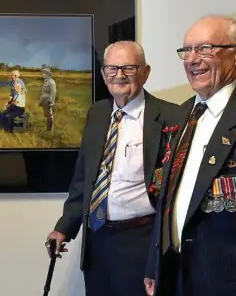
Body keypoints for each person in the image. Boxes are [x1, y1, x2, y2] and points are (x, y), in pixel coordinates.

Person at [46, 41, 180, 296]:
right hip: (97, 241)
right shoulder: (97, 113)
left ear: (145, 72)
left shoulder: (169, 117)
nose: (119, 75)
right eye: (112, 68)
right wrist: (64, 227)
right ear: (103, 73)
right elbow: (84, 179)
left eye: (128, 68)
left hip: (140, 243)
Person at [144, 15, 236, 296]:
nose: (191, 59)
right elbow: (167, 198)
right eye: (186, 50)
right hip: (176, 275)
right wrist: (153, 265)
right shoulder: (181, 115)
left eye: (204, 48)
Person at [39, 66, 57, 131]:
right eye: (42, 73)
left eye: (43, 73)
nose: (42, 74)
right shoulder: (46, 81)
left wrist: (51, 101)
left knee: (50, 116)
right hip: (44, 101)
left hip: (48, 101)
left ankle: (50, 131)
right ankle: (48, 129)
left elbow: (53, 92)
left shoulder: (51, 82)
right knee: (47, 116)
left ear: (47, 74)